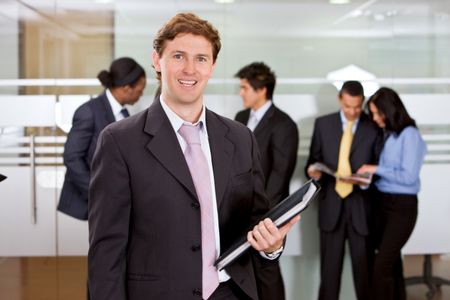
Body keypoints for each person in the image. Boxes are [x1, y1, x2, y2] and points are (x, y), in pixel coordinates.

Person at [88, 13, 299, 300]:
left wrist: (272, 245)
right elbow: (106, 252)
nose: (190, 69)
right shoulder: (119, 141)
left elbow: (254, 221)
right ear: (156, 60)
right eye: (178, 56)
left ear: (211, 66)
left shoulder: (240, 138)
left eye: (201, 58)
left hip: (230, 292)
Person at [305, 81, 381, 300]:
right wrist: (312, 171)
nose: (352, 112)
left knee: (364, 276)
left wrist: (366, 180)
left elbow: (379, 166)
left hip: (361, 210)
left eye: (357, 107)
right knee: (329, 277)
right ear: (340, 100)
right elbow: (312, 160)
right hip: (331, 208)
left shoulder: (373, 126)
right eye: (348, 106)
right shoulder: (323, 124)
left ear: (363, 102)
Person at [234, 62, 299, 300]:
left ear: (261, 90)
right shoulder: (240, 117)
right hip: (238, 208)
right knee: (243, 271)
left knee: (266, 270)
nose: (240, 93)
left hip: (267, 212)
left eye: (244, 87)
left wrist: (262, 215)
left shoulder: (284, 124)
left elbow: (280, 176)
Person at [357, 87, 427, 300]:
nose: (376, 118)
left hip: (402, 207)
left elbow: (408, 176)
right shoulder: (388, 134)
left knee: (382, 266)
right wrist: (364, 179)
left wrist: (374, 169)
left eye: (379, 113)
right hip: (382, 203)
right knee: (393, 263)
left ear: (390, 110)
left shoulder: (410, 135)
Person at [58, 57, 146, 220]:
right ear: (127, 88)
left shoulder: (125, 114)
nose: (140, 95)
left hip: (118, 199)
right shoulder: (89, 111)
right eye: (140, 90)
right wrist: (97, 193)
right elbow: (72, 157)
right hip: (93, 201)